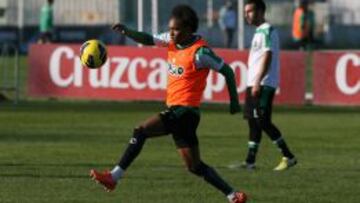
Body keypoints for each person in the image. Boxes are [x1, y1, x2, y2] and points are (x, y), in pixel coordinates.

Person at [90, 5, 247, 203]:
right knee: (194, 167)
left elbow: (228, 71)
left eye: (176, 29)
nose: (171, 33)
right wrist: (128, 32)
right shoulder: (172, 40)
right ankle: (233, 195)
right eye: (170, 29)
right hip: (181, 113)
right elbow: (148, 39)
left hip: (185, 111)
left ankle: (114, 177)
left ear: (189, 29)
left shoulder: (200, 53)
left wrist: (234, 101)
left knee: (141, 131)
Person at [240, 0, 297, 171]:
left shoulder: (267, 30)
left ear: (260, 11)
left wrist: (258, 81)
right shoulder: (259, 32)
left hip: (263, 84)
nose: (246, 15)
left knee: (263, 121)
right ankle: (250, 162)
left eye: (250, 11)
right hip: (254, 83)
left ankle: (288, 156)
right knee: (253, 121)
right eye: (246, 11)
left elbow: (267, 56)